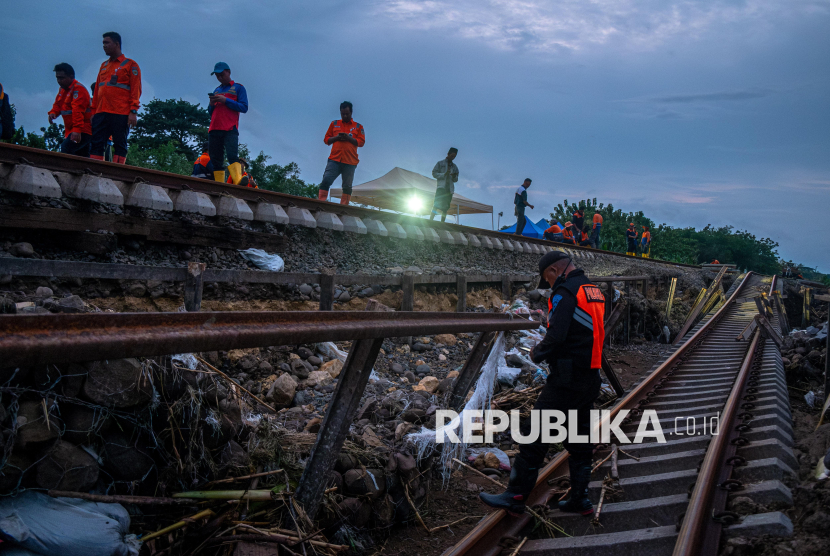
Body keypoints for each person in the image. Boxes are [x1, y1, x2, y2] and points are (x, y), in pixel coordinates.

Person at [480, 251, 605, 516]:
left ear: (553, 270)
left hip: (566, 380)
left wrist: (537, 352)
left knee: (534, 433)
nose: (548, 285)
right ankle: (580, 500)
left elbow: (557, 335)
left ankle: (515, 496)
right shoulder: (592, 290)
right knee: (580, 438)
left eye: (547, 278)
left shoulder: (565, 291)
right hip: (590, 376)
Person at [90, 32, 141, 164]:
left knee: (120, 144)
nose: (104, 46)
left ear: (117, 44)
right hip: (101, 112)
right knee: (96, 143)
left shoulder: (130, 65)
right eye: (103, 43)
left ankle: (117, 173)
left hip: (120, 113)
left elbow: (136, 89)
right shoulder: (104, 66)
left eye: (107, 43)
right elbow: (97, 90)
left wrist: (133, 111)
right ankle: (95, 171)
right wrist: (93, 111)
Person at [208, 62, 249, 185]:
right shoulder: (217, 90)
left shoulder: (238, 88)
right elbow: (211, 112)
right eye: (217, 75)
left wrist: (225, 100)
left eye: (221, 74)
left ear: (228, 72)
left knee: (232, 156)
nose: (219, 77)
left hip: (230, 127)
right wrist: (211, 103)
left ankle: (238, 181)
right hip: (214, 128)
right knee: (216, 159)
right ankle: (219, 185)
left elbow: (244, 107)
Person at [317, 101, 365, 205]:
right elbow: (326, 140)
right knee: (326, 180)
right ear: (340, 113)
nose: (345, 116)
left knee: (347, 186)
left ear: (351, 112)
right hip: (334, 159)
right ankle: (320, 203)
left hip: (350, 161)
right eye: (343, 114)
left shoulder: (358, 126)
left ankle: (343, 207)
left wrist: (348, 138)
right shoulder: (334, 124)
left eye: (347, 114)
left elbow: (361, 142)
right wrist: (337, 138)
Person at [48, 63, 92, 157]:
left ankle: (67, 170)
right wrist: (53, 113)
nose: (59, 81)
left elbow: (78, 111)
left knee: (67, 148)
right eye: (57, 78)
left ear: (71, 76)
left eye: (61, 78)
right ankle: (83, 170)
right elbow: (58, 104)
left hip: (83, 129)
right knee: (81, 155)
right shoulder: (63, 89)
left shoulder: (78, 89)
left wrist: (77, 130)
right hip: (74, 129)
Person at [430, 147, 459, 221]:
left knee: (446, 207)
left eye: (454, 157)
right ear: (448, 154)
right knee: (436, 204)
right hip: (441, 187)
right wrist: (443, 174)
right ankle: (430, 220)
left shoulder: (455, 167)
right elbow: (434, 173)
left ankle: (442, 223)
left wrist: (454, 176)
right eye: (452, 156)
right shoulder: (440, 163)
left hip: (449, 189)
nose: (453, 158)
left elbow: (455, 180)